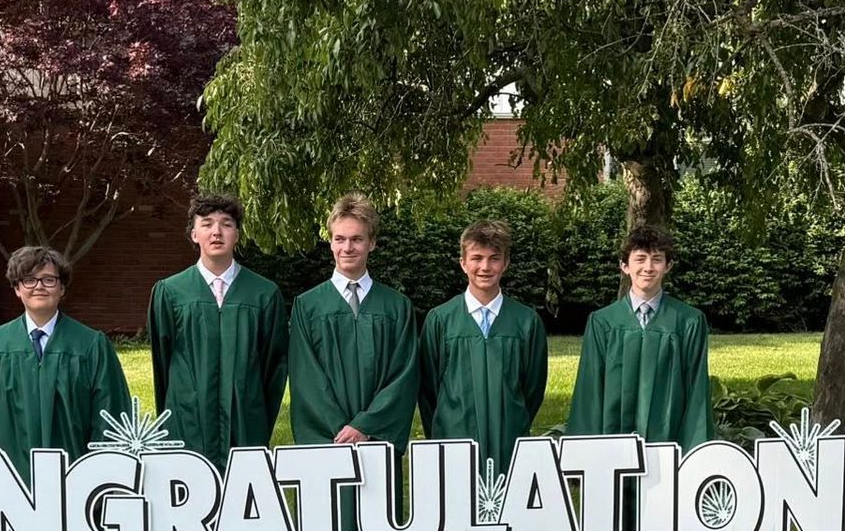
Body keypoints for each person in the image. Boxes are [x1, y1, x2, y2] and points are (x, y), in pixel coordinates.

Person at [0, 244, 130, 481]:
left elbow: (109, 416)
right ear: (17, 288)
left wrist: (98, 480)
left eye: (48, 280)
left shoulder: (90, 345)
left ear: (62, 288)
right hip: (8, 485)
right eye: (29, 280)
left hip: (76, 485)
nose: (39, 287)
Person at [147, 192, 289, 471]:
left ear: (237, 235)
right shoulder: (170, 292)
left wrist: (257, 416)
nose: (216, 232)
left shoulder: (263, 294)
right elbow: (162, 364)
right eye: (207, 223)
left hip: (246, 419)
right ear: (193, 234)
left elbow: (274, 367)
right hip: (188, 417)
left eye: (226, 224)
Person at [286, 193, 418, 453]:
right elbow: (305, 377)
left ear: (372, 243)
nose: (347, 248)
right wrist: (340, 429)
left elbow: (404, 375)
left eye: (357, 239)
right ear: (331, 243)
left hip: (376, 440)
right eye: (340, 239)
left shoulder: (397, 307)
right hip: (329, 441)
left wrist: (365, 425)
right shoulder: (308, 306)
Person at [417, 219, 548, 477]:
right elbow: (428, 389)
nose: (485, 267)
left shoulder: (526, 322)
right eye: (476, 258)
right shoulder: (441, 320)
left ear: (506, 263)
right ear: (463, 263)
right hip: (454, 439)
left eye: (494, 258)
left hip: (509, 440)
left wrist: (511, 418)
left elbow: (532, 388)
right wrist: (445, 426)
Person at [566, 226, 711, 449]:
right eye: (640, 259)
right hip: (612, 448)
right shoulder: (603, 322)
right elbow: (590, 391)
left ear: (668, 266)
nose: (648, 267)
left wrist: (693, 453)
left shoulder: (688, 322)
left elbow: (697, 393)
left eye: (657, 259)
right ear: (624, 266)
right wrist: (584, 454)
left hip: (669, 445)